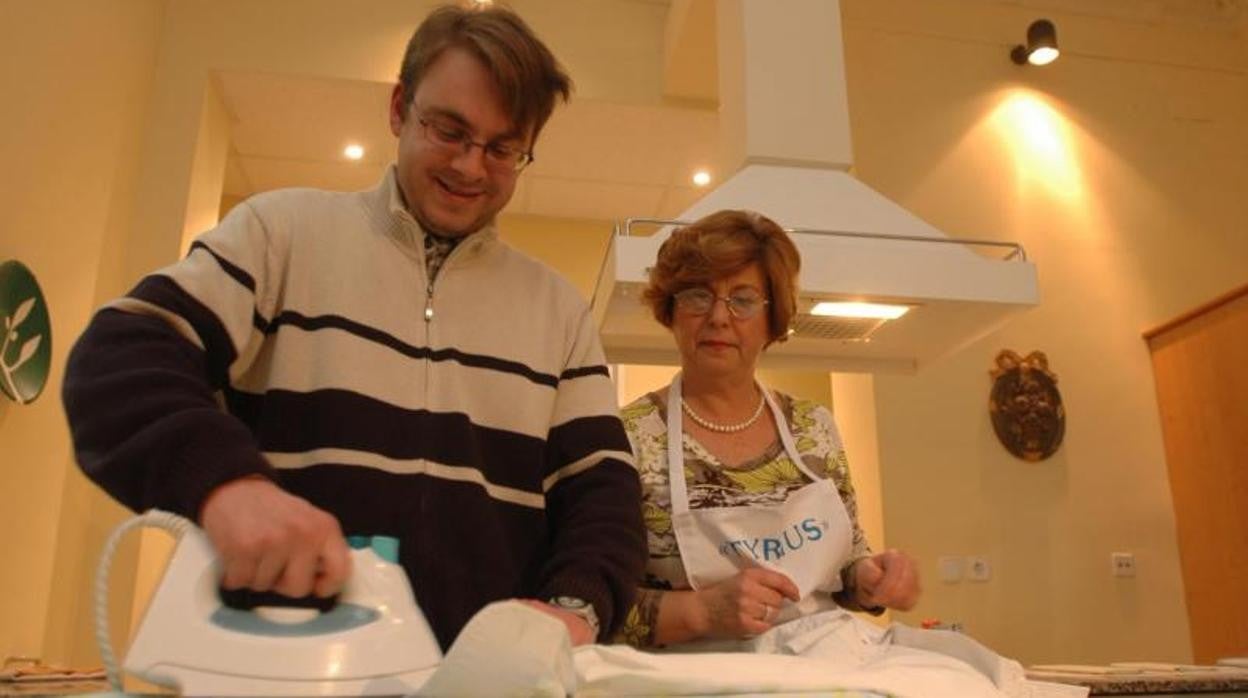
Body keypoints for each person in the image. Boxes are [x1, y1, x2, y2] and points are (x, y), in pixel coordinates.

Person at [62, 4, 645, 650]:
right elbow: (120, 358)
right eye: (449, 131)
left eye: (503, 149)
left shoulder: (558, 311)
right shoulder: (280, 235)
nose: (472, 167)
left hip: (484, 681)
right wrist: (226, 484)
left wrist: (576, 609)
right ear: (399, 109)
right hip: (275, 670)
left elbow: (602, 495)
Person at [614, 210, 920, 649]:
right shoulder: (626, 437)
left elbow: (846, 566)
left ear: (772, 321)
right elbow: (595, 605)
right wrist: (700, 613)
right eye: (698, 296)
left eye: (742, 299)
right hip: (690, 681)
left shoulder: (814, 428)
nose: (719, 317)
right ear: (672, 311)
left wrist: (870, 580)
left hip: (821, 668)